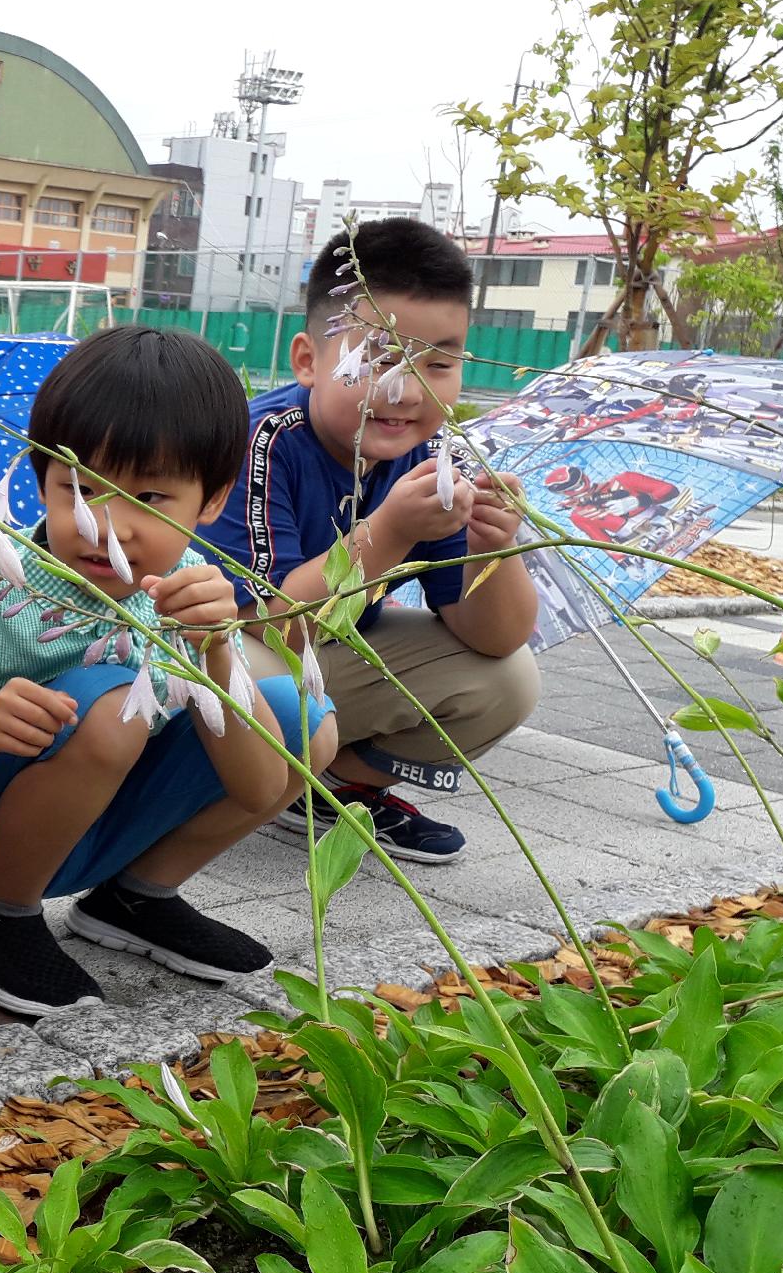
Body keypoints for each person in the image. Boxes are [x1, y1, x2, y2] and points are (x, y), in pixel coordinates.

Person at [0, 328, 338, 1016]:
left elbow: (261, 787)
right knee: (106, 707)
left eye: (151, 498)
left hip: (101, 826)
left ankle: (134, 899)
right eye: (78, 488)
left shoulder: (191, 586)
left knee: (305, 722)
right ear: (39, 475)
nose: (107, 527)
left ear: (211, 501)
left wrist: (218, 651)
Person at [197, 219, 540, 864]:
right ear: (308, 360)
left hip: (321, 663)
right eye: (380, 359)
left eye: (438, 364)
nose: (407, 390)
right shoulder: (262, 443)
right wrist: (389, 532)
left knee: (509, 679)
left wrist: (496, 549)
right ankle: (217, 787)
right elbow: (266, 626)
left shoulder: (430, 461)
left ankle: (334, 786)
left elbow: (492, 636)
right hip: (228, 663)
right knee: (281, 689)